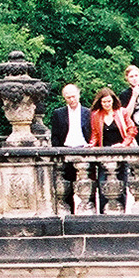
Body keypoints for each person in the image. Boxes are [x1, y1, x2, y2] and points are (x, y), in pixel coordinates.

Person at [47, 83, 92, 211]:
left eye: (73, 96)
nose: (72, 100)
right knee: (67, 186)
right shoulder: (58, 113)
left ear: (79, 95)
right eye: (68, 97)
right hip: (66, 150)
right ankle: (69, 213)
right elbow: (55, 136)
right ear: (64, 98)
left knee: (89, 186)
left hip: (84, 150)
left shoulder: (88, 112)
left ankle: (89, 211)